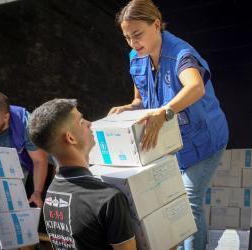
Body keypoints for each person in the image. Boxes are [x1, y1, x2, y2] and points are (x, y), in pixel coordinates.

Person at [109, 0, 229, 249]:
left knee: (189, 201)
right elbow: (140, 100)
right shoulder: (136, 57)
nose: (133, 43)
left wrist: (164, 112)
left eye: (138, 34)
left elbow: (194, 86)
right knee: (175, 204)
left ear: (156, 24)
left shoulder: (181, 55)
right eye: (127, 37)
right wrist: (128, 108)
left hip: (205, 140)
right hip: (172, 144)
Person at [28, 99, 136, 250]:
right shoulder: (108, 198)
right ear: (70, 138)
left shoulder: (52, 194)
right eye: (81, 121)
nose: (89, 123)